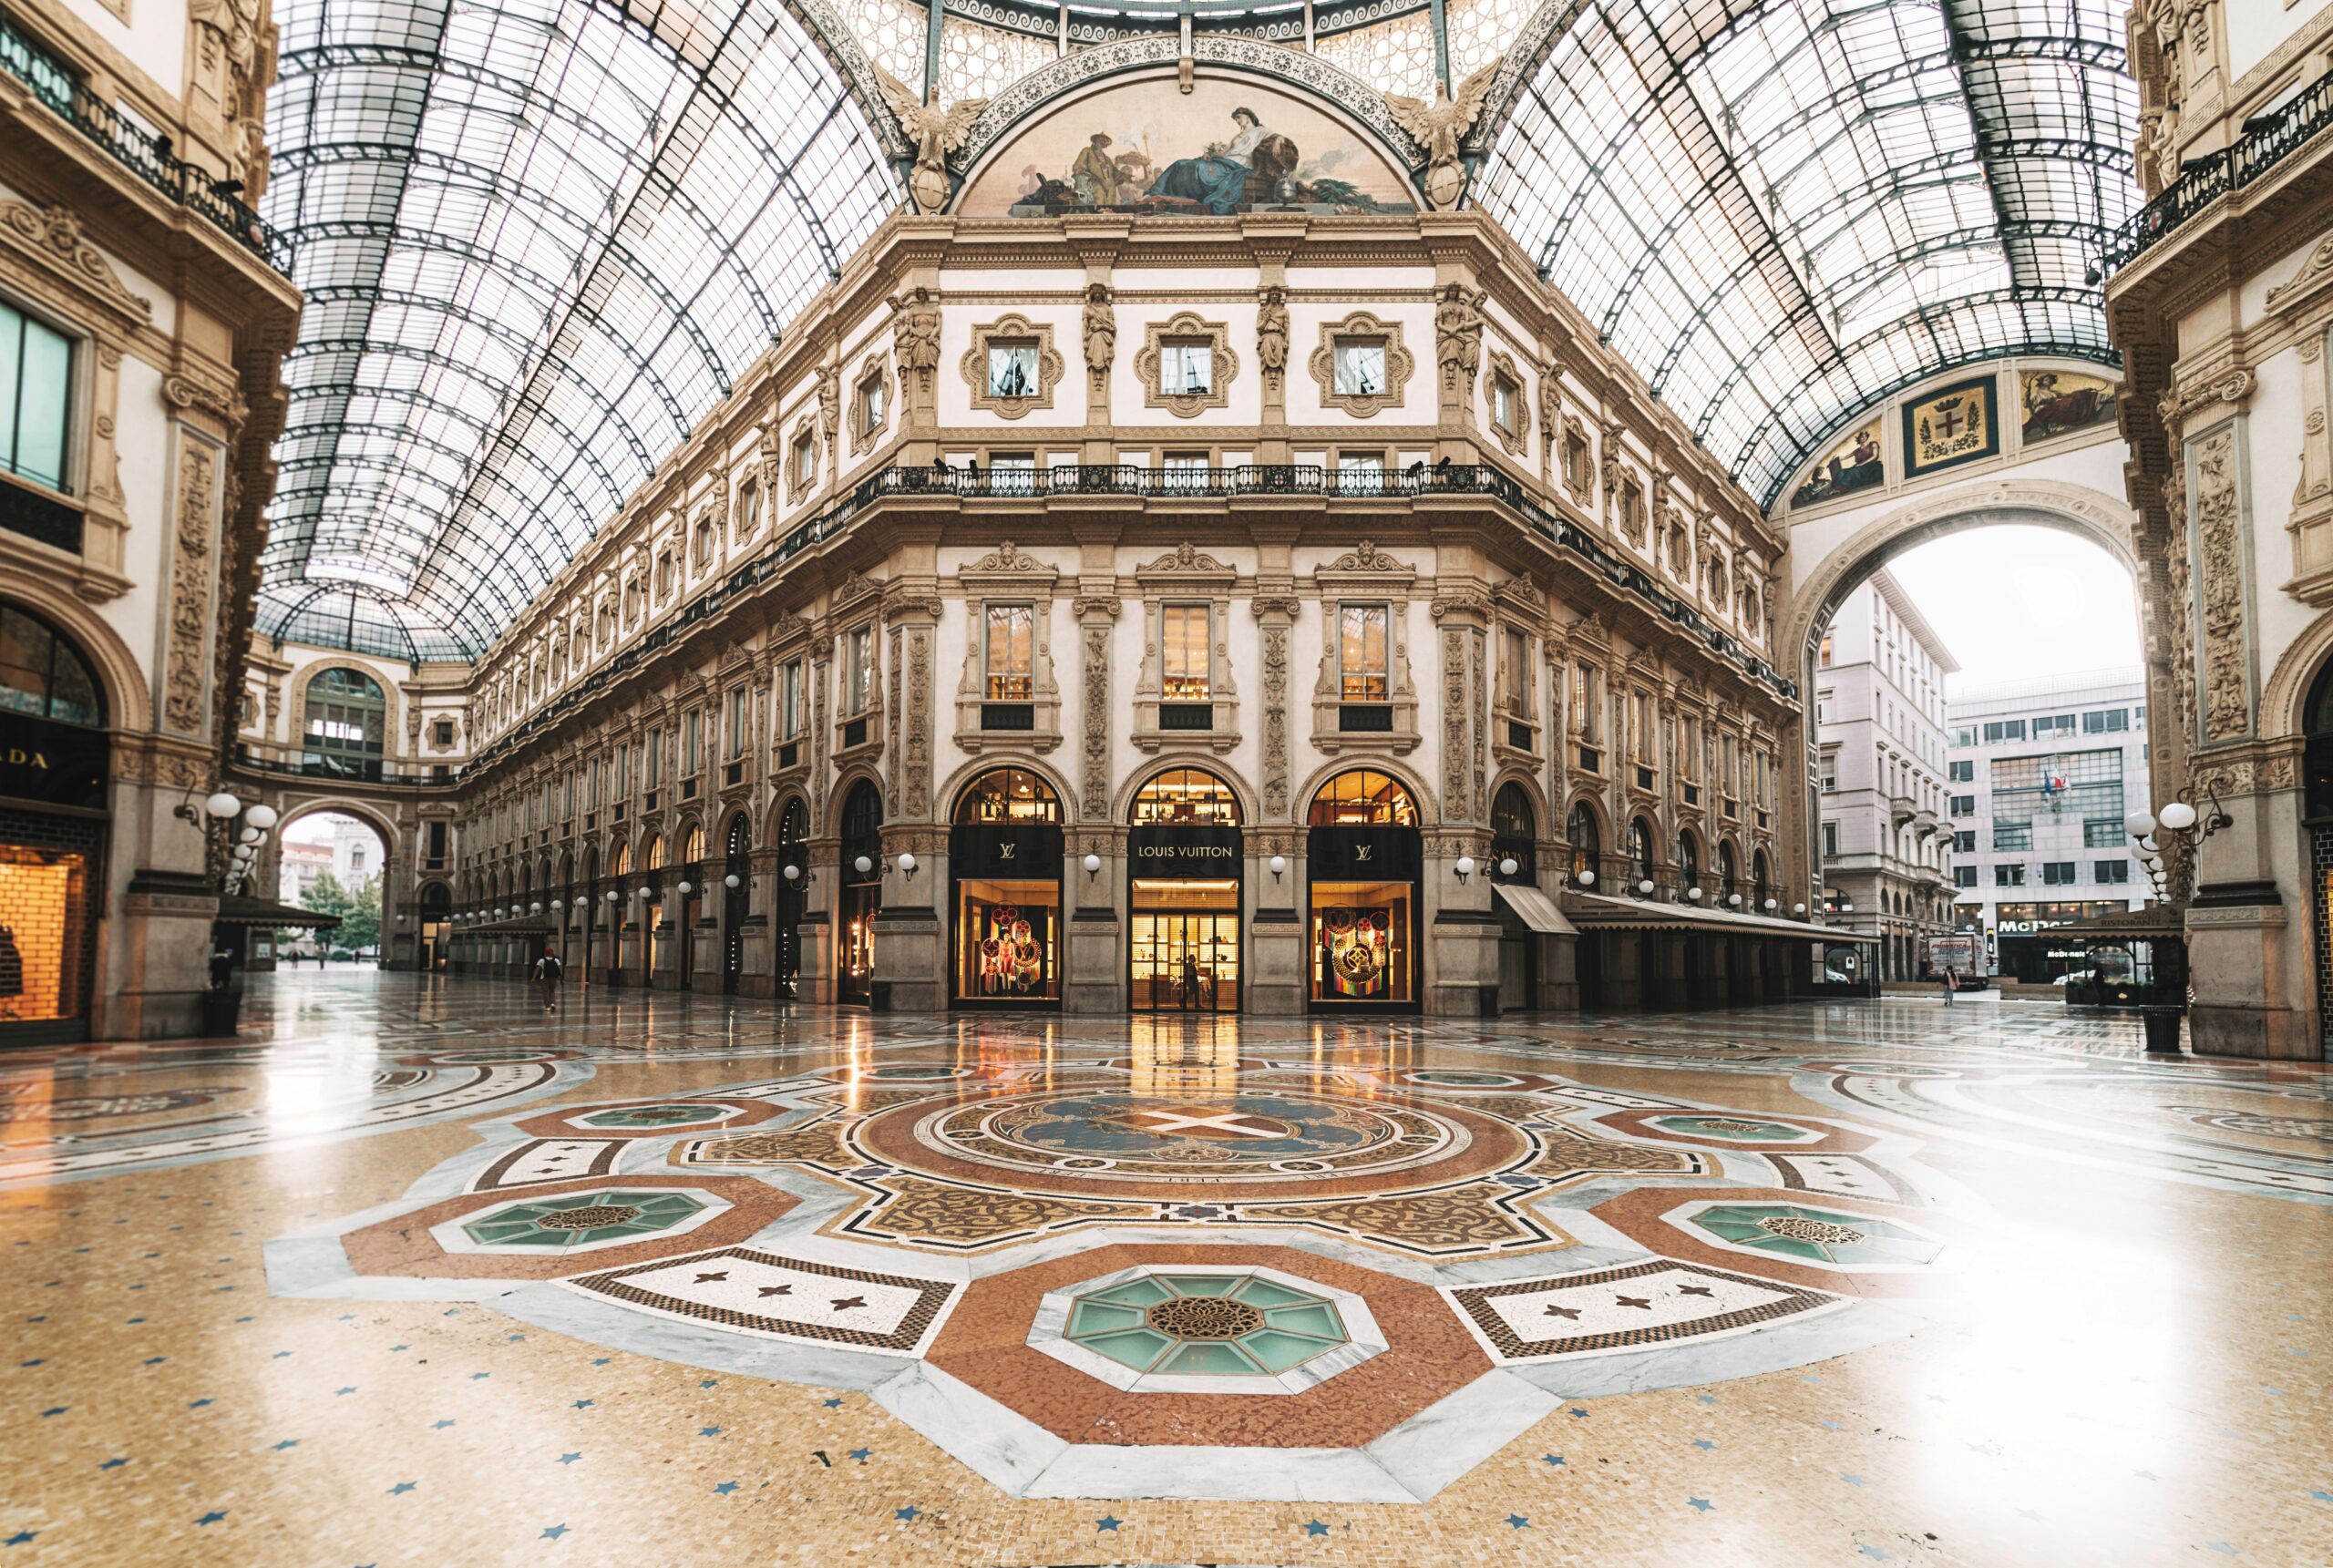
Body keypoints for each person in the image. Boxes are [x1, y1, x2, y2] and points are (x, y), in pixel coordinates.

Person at [532, 945, 563, 1011]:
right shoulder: (556, 960)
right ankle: (552, 1004)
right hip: (554, 978)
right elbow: (559, 969)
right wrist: (560, 977)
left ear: (545, 953)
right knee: (552, 991)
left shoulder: (542, 960)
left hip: (544, 978)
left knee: (545, 992)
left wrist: (533, 978)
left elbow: (537, 969)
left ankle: (547, 1007)